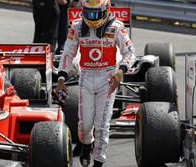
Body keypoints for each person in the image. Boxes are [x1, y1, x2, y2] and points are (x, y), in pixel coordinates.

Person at [54, 0, 136, 166]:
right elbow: (68, 53)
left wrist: (121, 71)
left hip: (108, 78)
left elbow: (130, 52)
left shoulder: (117, 27)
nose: (91, 17)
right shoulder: (76, 26)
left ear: (106, 10)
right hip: (85, 76)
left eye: (95, 13)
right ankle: (86, 145)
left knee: (102, 125)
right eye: (88, 13)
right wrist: (61, 78)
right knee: (84, 125)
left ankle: (98, 162)